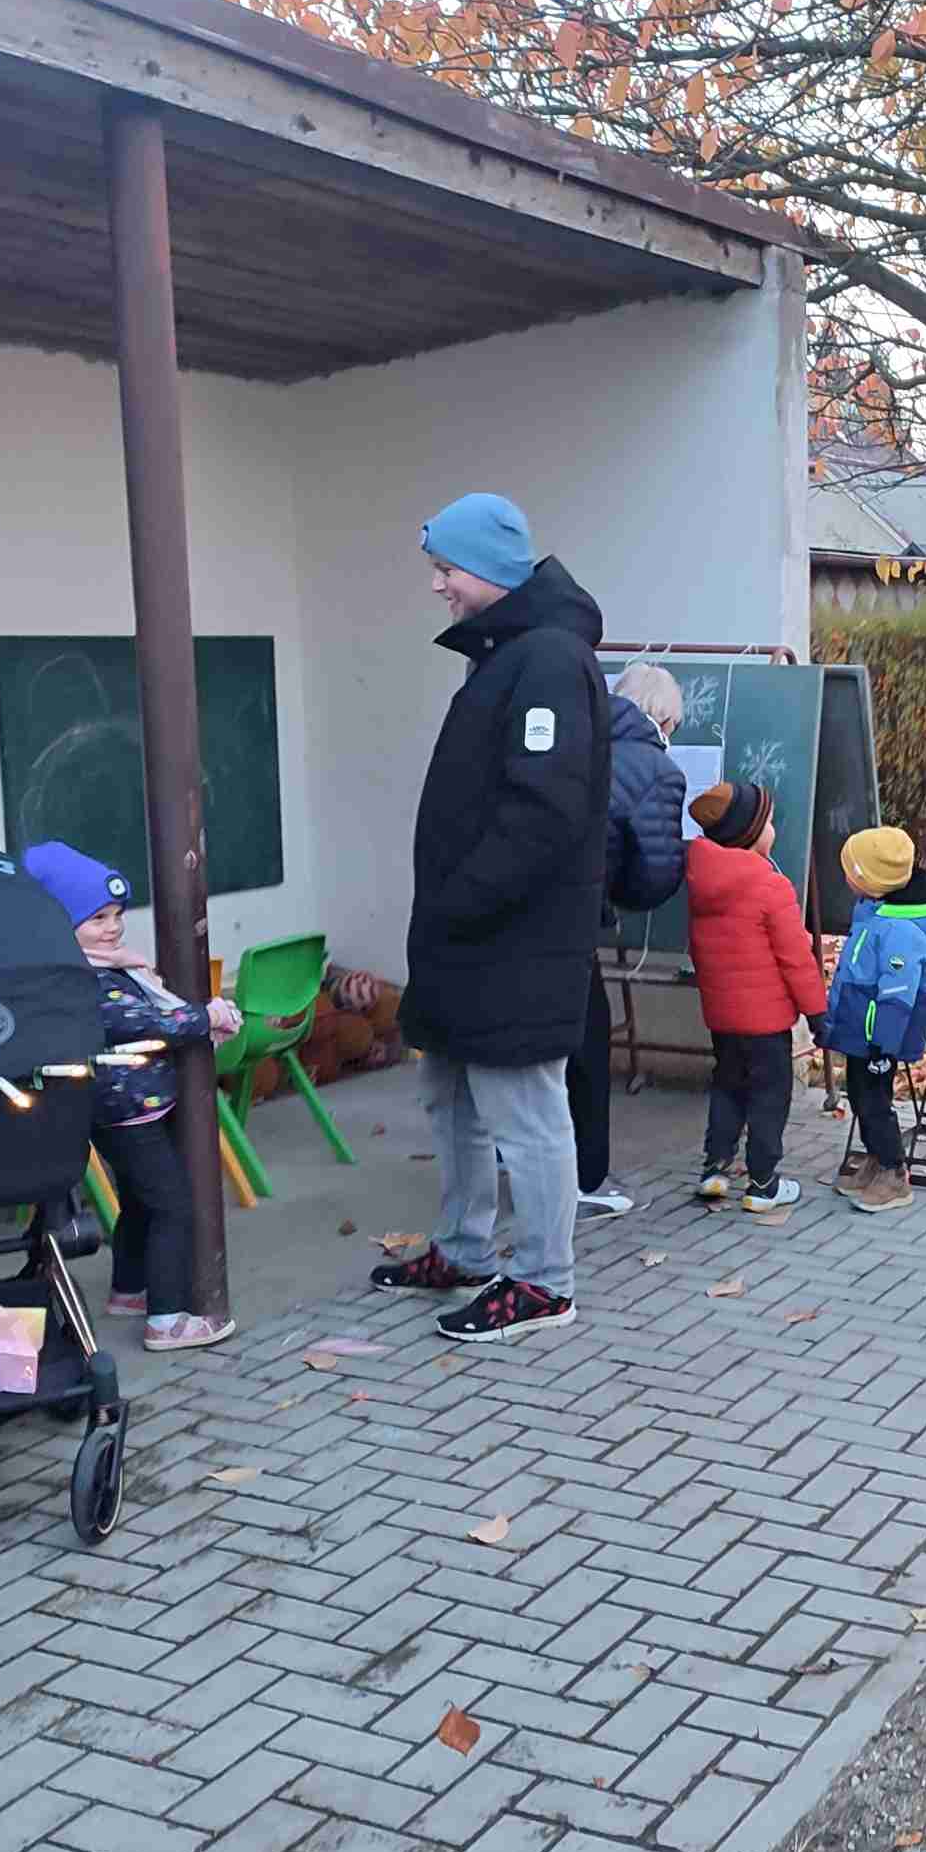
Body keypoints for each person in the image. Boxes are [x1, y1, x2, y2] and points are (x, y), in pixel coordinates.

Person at [374, 494, 611, 1346]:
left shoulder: (546, 659)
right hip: (467, 940)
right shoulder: (507, 654)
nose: (438, 585)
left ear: (489, 569)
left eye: (447, 569)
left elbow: (543, 811)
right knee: (450, 1096)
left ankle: (546, 1282)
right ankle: (464, 1249)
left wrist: (462, 898)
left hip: (512, 941)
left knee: (525, 1111)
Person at [21, 841, 243, 1351]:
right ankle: (167, 1320)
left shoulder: (104, 964)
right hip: (125, 1113)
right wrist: (205, 1016)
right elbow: (140, 1021)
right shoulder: (83, 978)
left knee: (141, 1202)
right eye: (97, 918)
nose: (114, 927)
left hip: (132, 1106)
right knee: (173, 1206)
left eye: (117, 914)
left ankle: (129, 1289)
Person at [575, 661, 687, 1219]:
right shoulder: (657, 768)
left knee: (530, 1045)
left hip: (521, 910)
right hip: (574, 921)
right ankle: (584, 1178)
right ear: (664, 718)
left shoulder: (577, 737)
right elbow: (652, 876)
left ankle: (511, 1154)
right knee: (587, 1048)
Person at [684, 782, 829, 1209]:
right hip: (766, 1022)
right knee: (769, 1096)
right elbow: (796, 959)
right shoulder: (770, 886)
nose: (774, 830)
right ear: (749, 833)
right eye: (768, 823)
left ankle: (715, 1168)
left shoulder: (703, 881)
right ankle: (764, 1184)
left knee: (728, 1085)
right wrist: (817, 1013)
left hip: (722, 1016)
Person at [819, 824, 926, 1214]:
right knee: (860, 1097)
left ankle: (894, 1173)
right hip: (861, 1028)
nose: (845, 877)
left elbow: (898, 994)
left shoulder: (900, 929)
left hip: (878, 1037)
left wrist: (884, 1044)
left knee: (875, 1102)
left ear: (870, 881)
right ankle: (876, 1161)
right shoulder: (874, 911)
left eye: (851, 871)